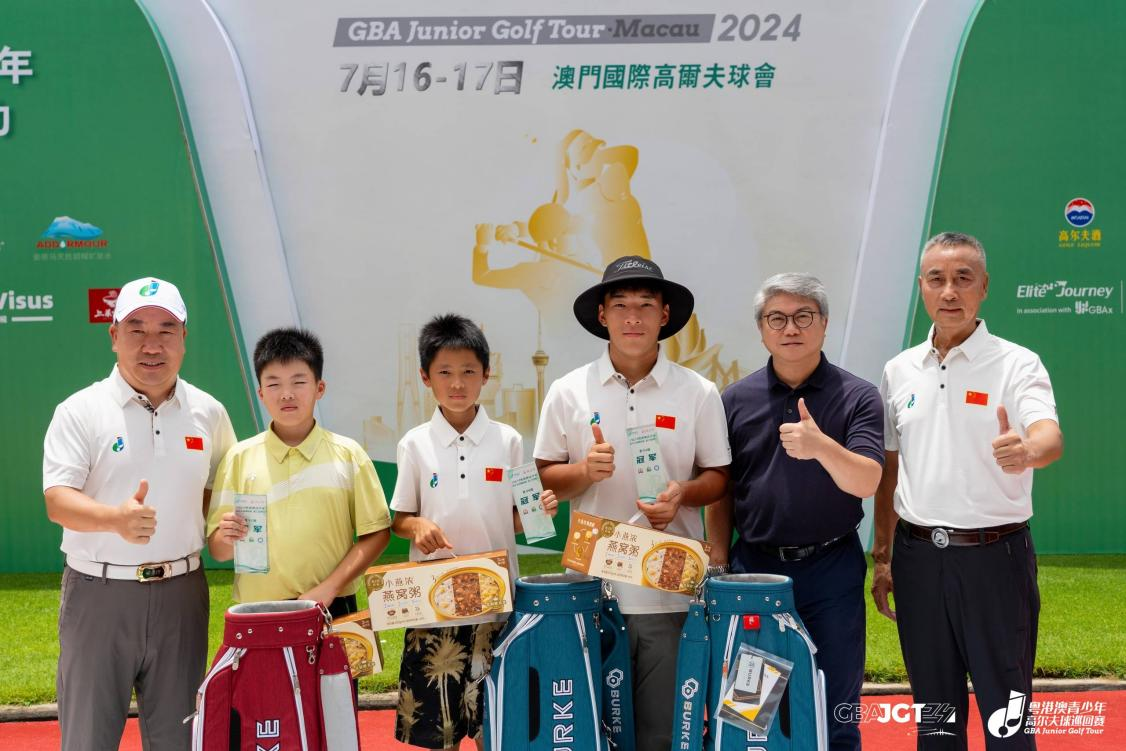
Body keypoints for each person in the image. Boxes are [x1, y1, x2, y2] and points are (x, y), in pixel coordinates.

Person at [872, 232, 1063, 749]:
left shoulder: (1017, 363)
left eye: (963, 279)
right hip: (917, 560)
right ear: (921, 287)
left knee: (1007, 715)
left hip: (994, 559)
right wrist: (884, 557)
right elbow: (890, 469)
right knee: (935, 716)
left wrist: (1028, 450)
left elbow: (1048, 435)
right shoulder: (898, 370)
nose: (949, 291)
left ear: (984, 287)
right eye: (937, 279)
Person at [534, 255, 731, 751]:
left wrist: (682, 494)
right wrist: (583, 471)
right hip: (589, 587)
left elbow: (718, 477)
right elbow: (542, 478)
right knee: (585, 729)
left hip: (668, 585)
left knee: (664, 731)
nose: (633, 317)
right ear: (602, 315)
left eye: (645, 305)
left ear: (665, 315)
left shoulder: (698, 392)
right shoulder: (568, 390)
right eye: (620, 305)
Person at [43, 277, 236, 751]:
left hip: (182, 594)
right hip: (99, 594)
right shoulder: (80, 410)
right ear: (114, 336)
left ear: (184, 338)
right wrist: (115, 519)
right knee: (88, 737)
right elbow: (57, 499)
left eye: (166, 330)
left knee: (180, 737)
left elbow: (220, 494)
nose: (152, 345)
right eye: (137, 330)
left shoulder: (208, 413)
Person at [706, 272, 884, 751]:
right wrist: (718, 560)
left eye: (804, 316)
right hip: (756, 575)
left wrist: (821, 446)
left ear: (824, 324)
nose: (790, 328)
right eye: (777, 318)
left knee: (836, 706)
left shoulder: (857, 396)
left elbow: (867, 480)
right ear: (761, 329)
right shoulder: (734, 400)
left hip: (831, 572)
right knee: (752, 713)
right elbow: (722, 490)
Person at [390, 314, 558, 751]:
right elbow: (400, 519)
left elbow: (518, 518)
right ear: (425, 377)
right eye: (445, 372)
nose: (457, 383)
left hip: (497, 606)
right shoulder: (414, 444)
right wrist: (418, 525)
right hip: (434, 608)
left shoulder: (508, 441)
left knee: (495, 725)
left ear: (486, 374)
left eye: (468, 371)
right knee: (437, 731)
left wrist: (538, 511)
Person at [207, 328, 391, 623]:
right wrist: (227, 536)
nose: (287, 394)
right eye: (274, 383)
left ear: (320, 388)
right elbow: (218, 551)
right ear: (260, 393)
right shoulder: (238, 458)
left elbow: (377, 533)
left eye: (299, 381)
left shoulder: (348, 455)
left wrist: (331, 586)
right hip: (259, 609)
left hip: (333, 602)